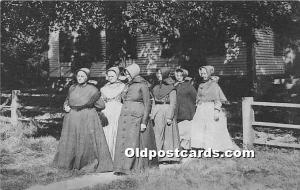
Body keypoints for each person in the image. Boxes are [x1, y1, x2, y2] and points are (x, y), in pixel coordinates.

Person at [53, 68, 113, 173]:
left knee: (85, 140)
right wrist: (65, 106)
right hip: (72, 118)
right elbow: (67, 100)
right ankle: (70, 163)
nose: (80, 78)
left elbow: (101, 105)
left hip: (86, 117)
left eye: (82, 76)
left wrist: (90, 106)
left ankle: (86, 163)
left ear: (87, 78)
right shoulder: (72, 88)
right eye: (78, 76)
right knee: (72, 140)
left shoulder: (92, 89)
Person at [113, 63, 158, 175]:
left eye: (128, 73)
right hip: (126, 117)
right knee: (124, 140)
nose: (126, 75)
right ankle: (121, 167)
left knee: (133, 142)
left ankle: (131, 167)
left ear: (134, 73)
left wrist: (144, 122)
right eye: (125, 73)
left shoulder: (143, 85)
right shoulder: (128, 85)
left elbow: (148, 104)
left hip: (136, 118)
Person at [189, 65, 239, 151]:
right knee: (200, 127)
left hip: (210, 108)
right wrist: (198, 105)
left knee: (212, 128)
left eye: (205, 73)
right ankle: (203, 147)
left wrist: (216, 111)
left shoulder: (214, 85)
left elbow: (217, 99)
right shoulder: (201, 84)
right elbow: (198, 97)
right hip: (202, 108)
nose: (203, 75)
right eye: (202, 73)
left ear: (209, 74)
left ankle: (214, 148)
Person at [151, 67, 180, 164]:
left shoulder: (171, 88)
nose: (158, 75)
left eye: (160, 74)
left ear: (165, 75)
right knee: (157, 133)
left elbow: (173, 104)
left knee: (168, 135)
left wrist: (169, 116)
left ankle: (169, 157)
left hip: (167, 111)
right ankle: (158, 157)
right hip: (157, 112)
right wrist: (152, 114)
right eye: (157, 73)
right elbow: (154, 102)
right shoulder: (155, 87)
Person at [100, 67, 125, 160]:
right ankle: (108, 157)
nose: (110, 77)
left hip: (118, 110)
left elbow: (125, 100)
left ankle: (118, 157)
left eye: (113, 76)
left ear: (117, 76)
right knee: (107, 131)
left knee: (117, 130)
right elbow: (102, 101)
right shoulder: (104, 88)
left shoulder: (123, 86)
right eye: (109, 76)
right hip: (107, 111)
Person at [174, 68, 197, 150]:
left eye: (181, 75)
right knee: (179, 130)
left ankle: (187, 147)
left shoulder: (189, 86)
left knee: (186, 130)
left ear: (184, 76)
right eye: (177, 75)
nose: (179, 77)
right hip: (178, 111)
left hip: (187, 110)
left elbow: (195, 97)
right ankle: (180, 146)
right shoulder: (175, 85)